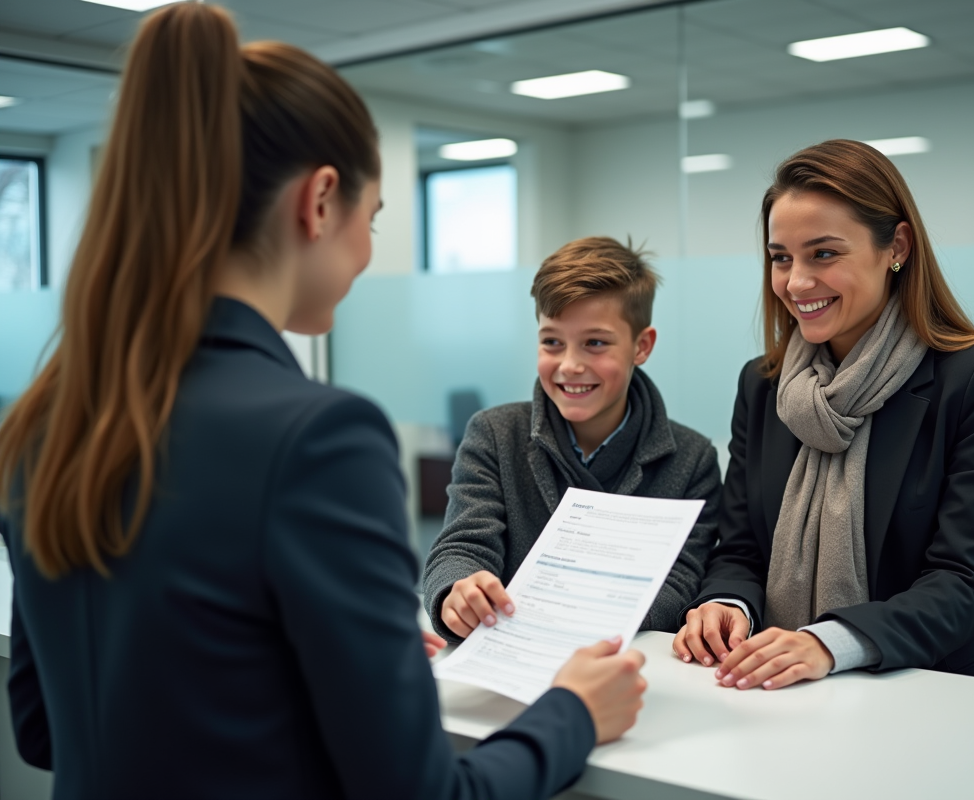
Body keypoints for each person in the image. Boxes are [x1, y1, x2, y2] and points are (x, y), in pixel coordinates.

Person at [0, 6, 646, 799]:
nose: (368, 253)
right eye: (371, 220)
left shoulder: (50, 416)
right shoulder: (318, 437)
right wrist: (572, 712)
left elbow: (41, 727)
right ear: (319, 201)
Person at [674, 139, 974, 690]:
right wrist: (727, 602)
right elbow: (742, 547)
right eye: (780, 257)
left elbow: (964, 583)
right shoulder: (763, 384)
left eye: (824, 253)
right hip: (785, 686)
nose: (795, 282)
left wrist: (827, 641)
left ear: (898, 247)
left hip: (936, 685)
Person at [423, 237, 722, 643]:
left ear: (642, 346)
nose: (569, 365)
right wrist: (457, 591)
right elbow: (462, 546)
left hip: (623, 664)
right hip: (510, 657)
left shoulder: (691, 459)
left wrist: (584, 619)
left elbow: (679, 583)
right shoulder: (494, 434)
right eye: (552, 342)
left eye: (595, 343)